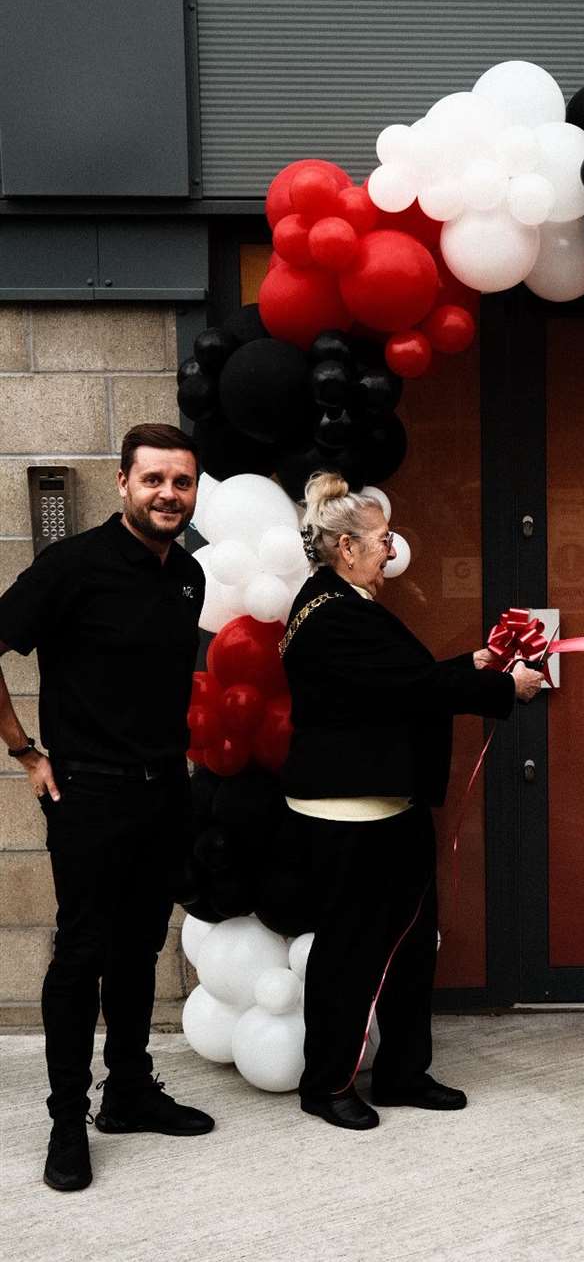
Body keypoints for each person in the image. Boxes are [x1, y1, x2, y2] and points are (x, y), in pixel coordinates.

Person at [281, 472, 543, 1130]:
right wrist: (505, 687)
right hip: (353, 816)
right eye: (382, 538)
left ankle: (402, 1071)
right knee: (353, 952)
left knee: (412, 944)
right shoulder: (334, 615)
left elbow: (405, 683)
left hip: (388, 808)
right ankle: (328, 1083)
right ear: (344, 547)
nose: (392, 548)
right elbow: (415, 688)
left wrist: (479, 660)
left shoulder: (339, 600)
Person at [0, 423, 215, 1193]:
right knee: (83, 955)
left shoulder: (187, 575)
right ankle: (67, 1120)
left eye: (181, 482)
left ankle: (127, 1090)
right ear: (123, 482)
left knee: (140, 947)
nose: (168, 493)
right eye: (153, 479)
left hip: (165, 790)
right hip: (88, 792)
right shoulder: (72, 567)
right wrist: (25, 750)